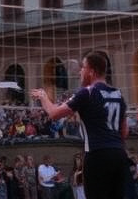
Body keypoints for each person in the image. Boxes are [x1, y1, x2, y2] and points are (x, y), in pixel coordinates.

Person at [31, 52, 130, 199]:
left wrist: (43, 96)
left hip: (97, 155)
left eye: (83, 67)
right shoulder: (118, 94)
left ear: (91, 71)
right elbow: (124, 132)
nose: (80, 72)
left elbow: (54, 113)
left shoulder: (87, 93)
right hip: (119, 155)